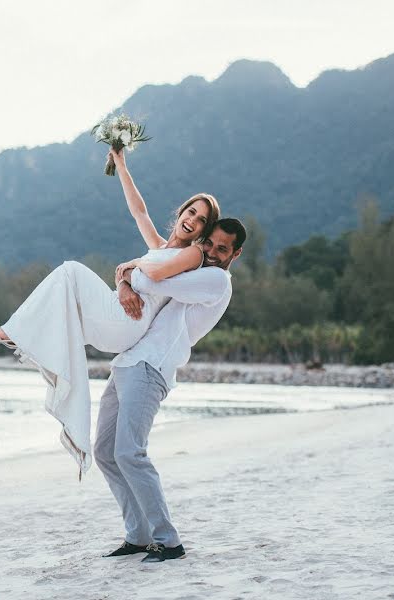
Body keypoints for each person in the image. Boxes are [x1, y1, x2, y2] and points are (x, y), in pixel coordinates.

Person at [0, 149, 220, 475]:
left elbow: (156, 274)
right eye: (190, 212)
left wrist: (128, 269)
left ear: (204, 231)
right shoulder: (161, 248)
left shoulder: (192, 255)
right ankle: (28, 342)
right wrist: (121, 165)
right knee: (67, 301)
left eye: (201, 220)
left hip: (129, 320)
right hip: (120, 315)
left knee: (69, 272)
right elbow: (139, 211)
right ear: (181, 213)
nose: (192, 220)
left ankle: (16, 333)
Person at [95, 217, 246, 563]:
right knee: (105, 452)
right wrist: (125, 282)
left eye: (221, 249)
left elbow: (155, 280)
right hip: (128, 362)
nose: (210, 252)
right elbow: (147, 254)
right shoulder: (196, 266)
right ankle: (138, 536)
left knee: (130, 452)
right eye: (208, 243)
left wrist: (129, 272)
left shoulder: (215, 279)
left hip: (152, 366)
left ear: (234, 254)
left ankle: (168, 540)